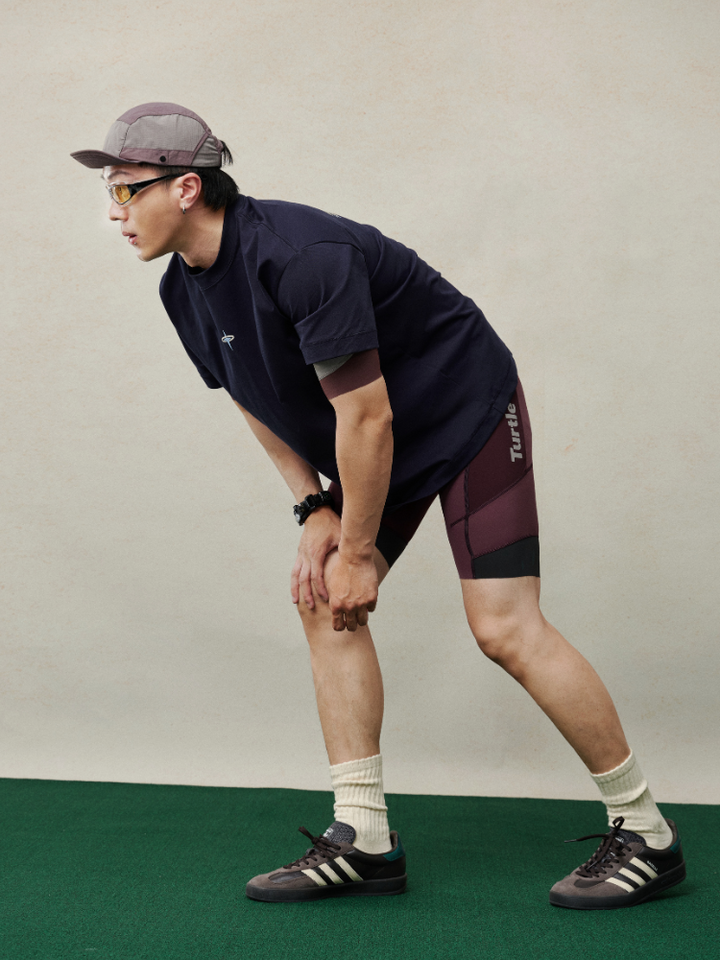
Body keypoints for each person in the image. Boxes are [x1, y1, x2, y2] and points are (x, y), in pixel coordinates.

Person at [72, 102, 686, 909]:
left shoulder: (302, 257)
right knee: (323, 598)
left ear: (185, 188)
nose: (114, 212)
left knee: (503, 627)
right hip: (376, 440)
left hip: (461, 412)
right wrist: (313, 511)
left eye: (126, 190)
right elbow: (253, 400)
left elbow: (368, 417)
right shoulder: (182, 292)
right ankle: (364, 838)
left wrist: (359, 550)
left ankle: (647, 834)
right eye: (110, 193)